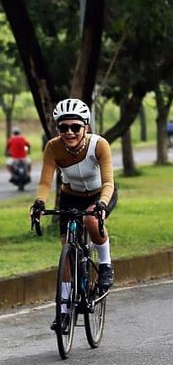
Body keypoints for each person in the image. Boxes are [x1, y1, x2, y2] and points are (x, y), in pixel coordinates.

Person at [30, 99, 116, 331]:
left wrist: (102, 204)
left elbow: (109, 182)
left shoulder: (99, 145)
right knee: (67, 255)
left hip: (100, 194)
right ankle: (65, 312)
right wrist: (39, 202)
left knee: (90, 219)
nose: (69, 132)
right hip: (71, 195)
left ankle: (106, 266)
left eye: (75, 127)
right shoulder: (53, 147)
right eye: (63, 127)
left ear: (85, 127)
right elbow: (46, 181)